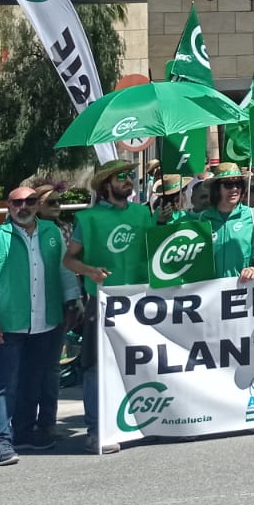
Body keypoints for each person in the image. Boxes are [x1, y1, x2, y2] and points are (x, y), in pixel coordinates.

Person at [64, 160, 172, 453]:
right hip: (103, 303)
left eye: (130, 176)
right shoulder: (88, 219)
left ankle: (147, 422)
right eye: (121, 177)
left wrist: (161, 222)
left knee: (143, 362)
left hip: (140, 302)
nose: (129, 181)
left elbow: (154, 249)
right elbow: (68, 259)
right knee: (96, 368)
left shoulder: (142, 212)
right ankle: (96, 429)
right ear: (105, 185)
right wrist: (89, 270)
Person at [0, 186, 80, 464]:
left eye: (30, 201)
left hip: (47, 319)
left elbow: (64, 271)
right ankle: (0, 440)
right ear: (9, 205)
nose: (24, 207)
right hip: (9, 322)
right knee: (5, 383)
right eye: (18, 202)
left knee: (34, 379)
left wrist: (71, 301)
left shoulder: (52, 233)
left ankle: (26, 432)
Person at [193, 163, 254, 281]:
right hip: (211, 290)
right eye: (228, 185)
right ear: (216, 188)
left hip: (242, 286)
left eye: (238, 184)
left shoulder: (252, 215)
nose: (234, 189)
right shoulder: (204, 218)